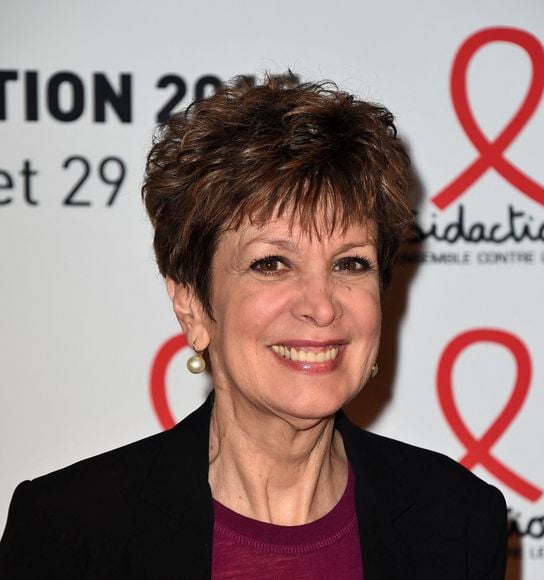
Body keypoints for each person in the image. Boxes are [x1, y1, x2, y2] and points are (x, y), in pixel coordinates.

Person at [0, 73, 507, 579]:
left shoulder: (457, 518)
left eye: (350, 263)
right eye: (272, 263)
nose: (322, 306)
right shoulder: (68, 530)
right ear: (193, 305)